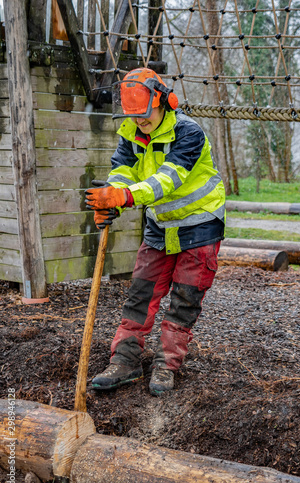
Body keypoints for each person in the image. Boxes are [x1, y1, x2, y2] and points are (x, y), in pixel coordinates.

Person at [85, 67, 226, 396]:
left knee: (185, 298)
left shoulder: (188, 133)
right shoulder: (131, 133)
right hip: (160, 224)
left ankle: (167, 363)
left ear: (164, 102)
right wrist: (112, 199)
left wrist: (126, 196)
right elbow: (122, 169)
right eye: (134, 116)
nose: (140, 121)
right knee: (141, 292)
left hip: (200, 222)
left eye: (144, 114)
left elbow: (167, 179)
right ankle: (125, 359)